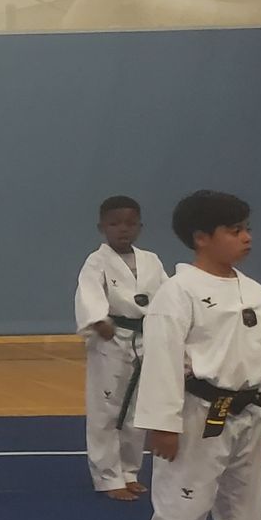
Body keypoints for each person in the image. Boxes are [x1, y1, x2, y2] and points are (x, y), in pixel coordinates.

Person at [124, 190, 261, 520]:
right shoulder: (178, 292)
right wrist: (162, 424)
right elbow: (162, 360)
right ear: (201, 238)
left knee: (249, 514)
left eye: (247, 229)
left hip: (250, 414)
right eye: (234, 230)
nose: (247, 238)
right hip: (198, 416)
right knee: (181, 509)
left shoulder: (257, 293)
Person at [73, 195, 168, 500]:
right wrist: (98, 320)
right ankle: (107, 477)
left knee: (137, 409)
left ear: (140, 226)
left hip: (146, 337)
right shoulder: (96, 261)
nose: (123, 229)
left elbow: (168, 296)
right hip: (111, 338)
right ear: (102, 227)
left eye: (130, 223)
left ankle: (129, 471)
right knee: (106, 409)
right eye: (115, 224)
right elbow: (89, 294)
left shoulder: (151, 261)